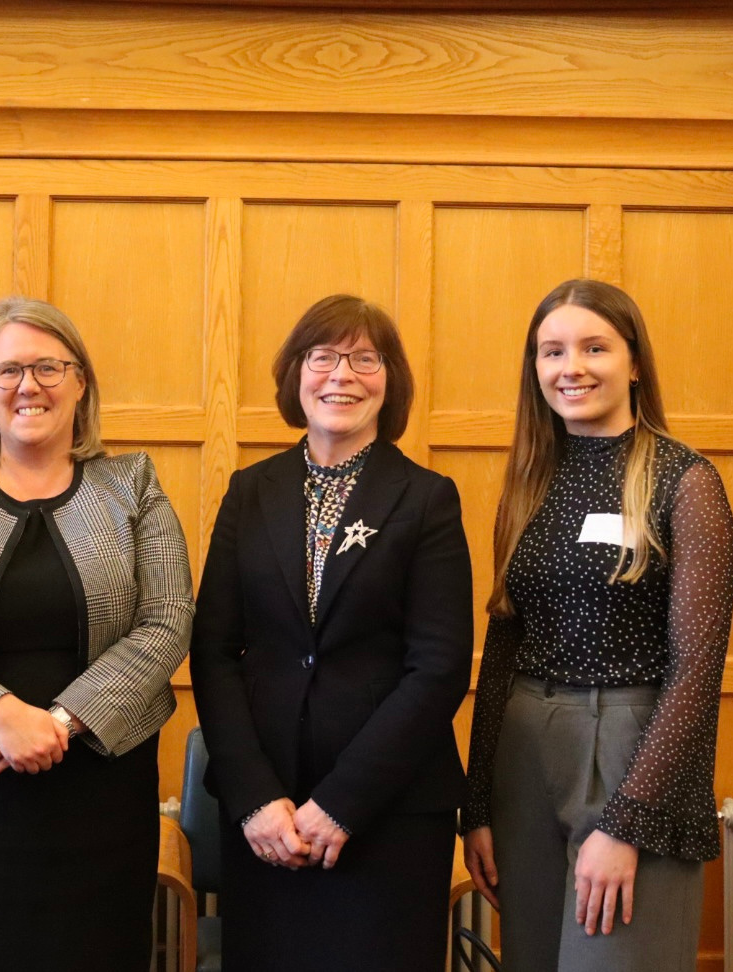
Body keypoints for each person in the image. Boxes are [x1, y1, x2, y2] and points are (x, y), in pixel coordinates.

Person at [0, 296, 194, 972]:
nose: (29, 385)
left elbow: (167, 620)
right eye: (8, 369)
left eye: (49, 366)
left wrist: (59, 722)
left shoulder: (132, 485)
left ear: (81, 382)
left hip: (102, 784)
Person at [190, 294, 474, 971]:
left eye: (363, 359)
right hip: (266, 819)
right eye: (322, 357)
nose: (340, 375)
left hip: (388, 814)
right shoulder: (249, 492)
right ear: (295, 373)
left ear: (390, 379)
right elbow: (213, 650)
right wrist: (254, 797)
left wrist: (341, 805)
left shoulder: (427, 498)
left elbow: (437, 666)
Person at [462, 279, 733, 971]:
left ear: (634, 361)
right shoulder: (529, 482)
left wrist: (626, 823)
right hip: (523, 751)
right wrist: (478, 807)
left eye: (593, 347)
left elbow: (696, 672)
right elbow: (501, 646)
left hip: (631, 748)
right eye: (551, 351)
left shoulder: (685, 481)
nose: (570, 367)